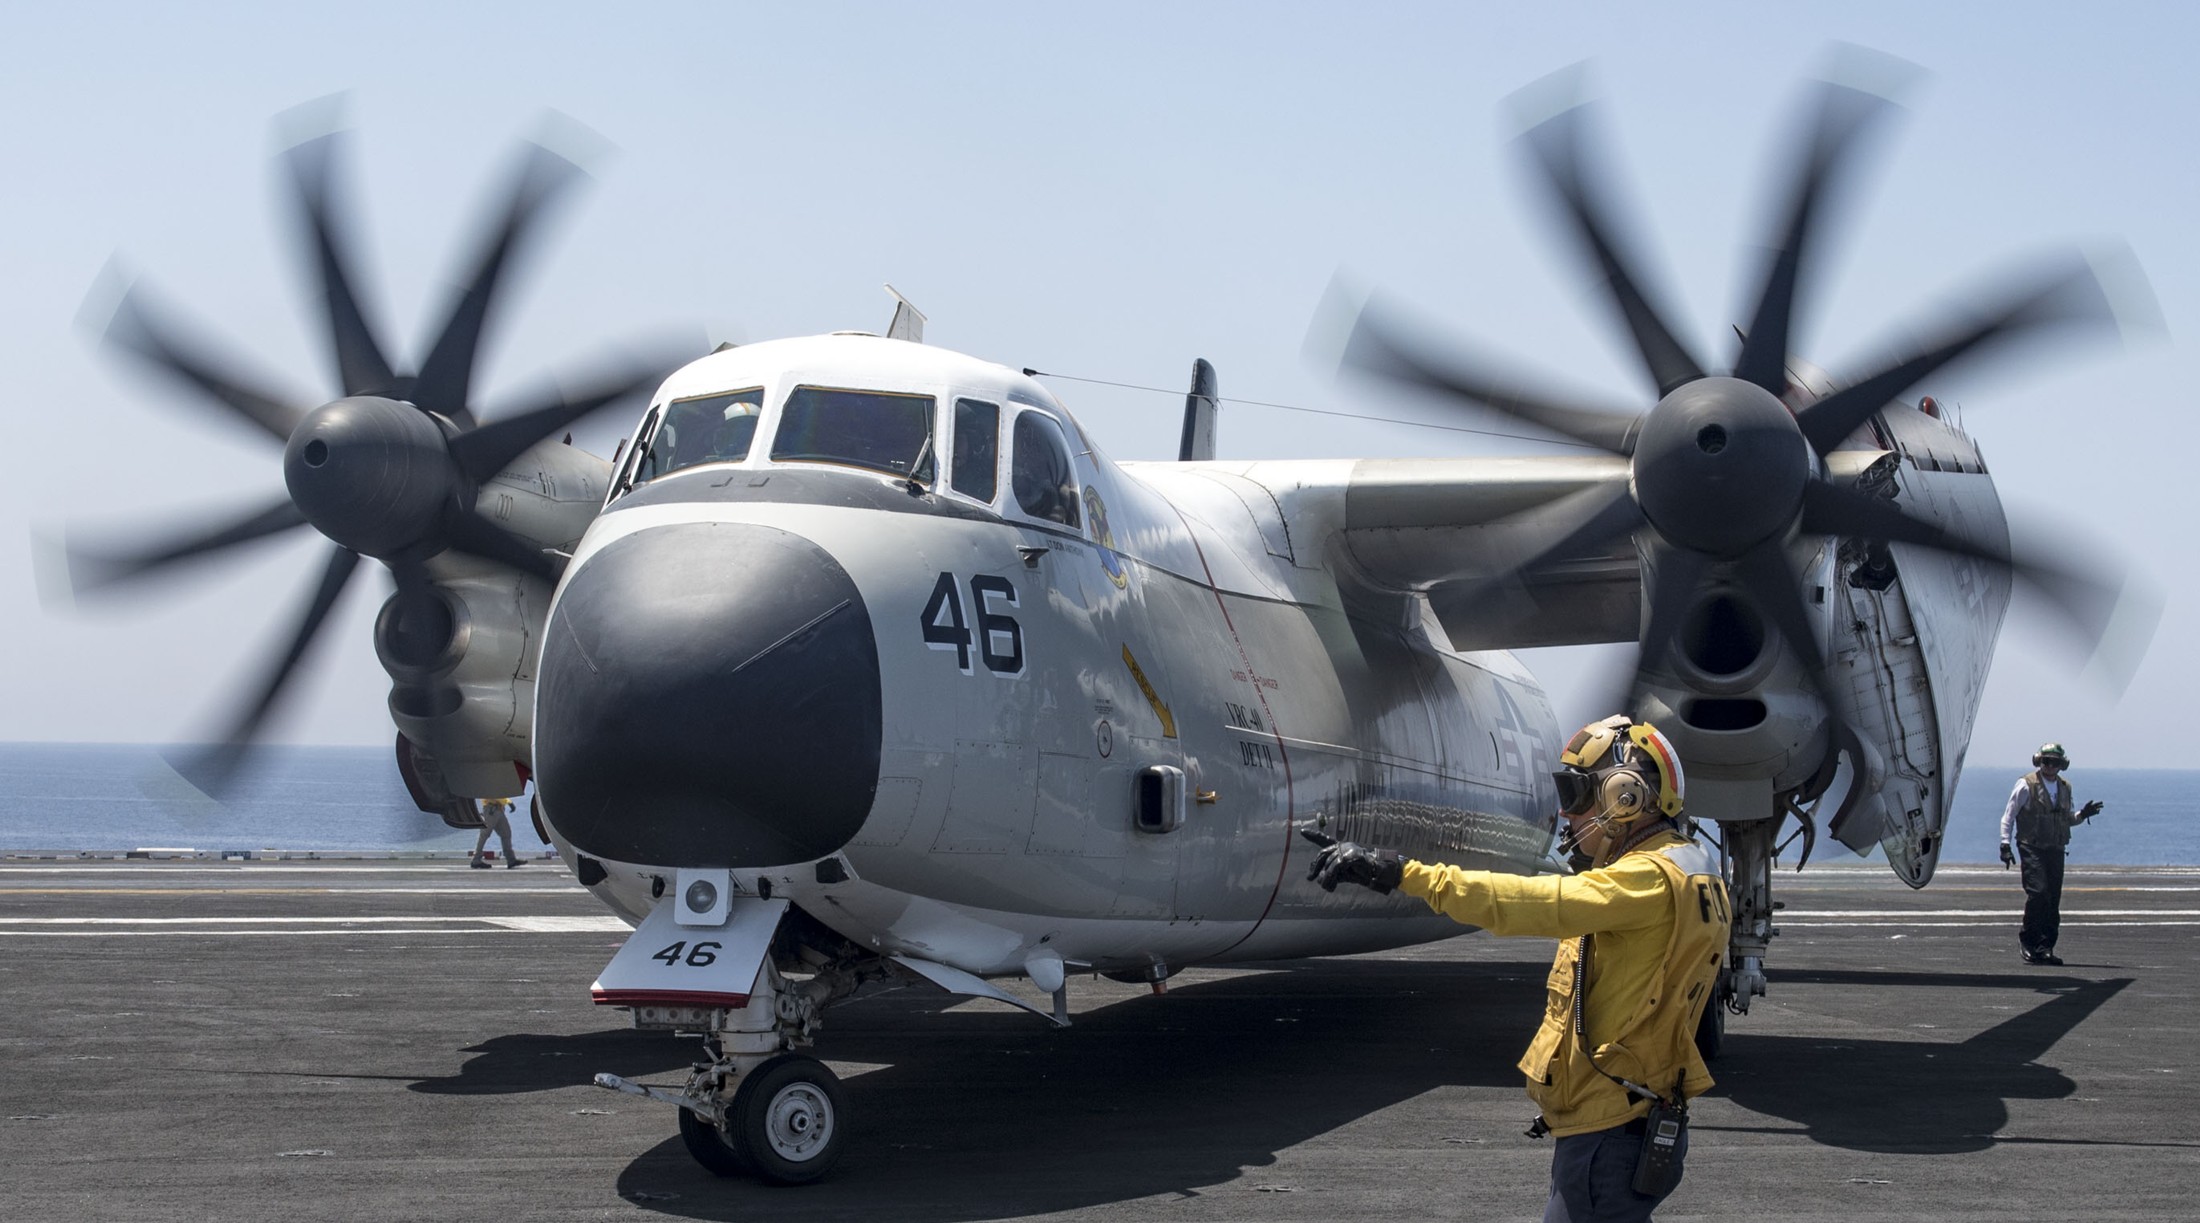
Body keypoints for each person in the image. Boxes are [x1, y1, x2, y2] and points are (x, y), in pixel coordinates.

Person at [1307, 715, 1729, 1222]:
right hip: (1632, 1115)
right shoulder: (1686, 865)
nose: (1566, 813)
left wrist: (1401, 872)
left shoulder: (1641, 882)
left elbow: (1527, 901)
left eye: (1576, 795)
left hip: (1611, 1127)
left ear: (1624, 798)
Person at [1999, 742, 2102, 966]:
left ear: (2061, 764)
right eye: (2046, 761)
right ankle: (2028, 941)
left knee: (2053, 899)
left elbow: (2067, 820)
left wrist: (2083, 814)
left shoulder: (2065, 787)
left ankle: (2045, 948)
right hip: (2031, 846)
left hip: (2055, 848)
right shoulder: (2026, 785)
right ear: (2039, 761)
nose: (2050, 766)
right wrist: (2005, 844)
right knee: (2038, 892)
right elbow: (2009, 815)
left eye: (2054, 762)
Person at [470, 796, 526, 870]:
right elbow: (495, 793)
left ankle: (511, 859)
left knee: (506, 833)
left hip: (498, 809)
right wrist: (508, 802)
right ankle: (476, 859)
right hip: (491, 810)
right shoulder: (490, 784)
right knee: (484, 834)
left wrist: (507, 802)